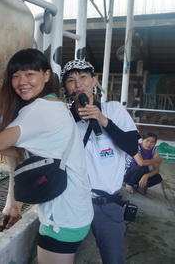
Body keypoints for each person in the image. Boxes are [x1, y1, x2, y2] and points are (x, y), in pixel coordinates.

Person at [0, 49, 93, 264]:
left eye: (30, 74)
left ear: (46, 76)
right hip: (75, 210)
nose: (22, 81)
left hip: (62, 218)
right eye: (15, 76)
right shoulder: (54, 104)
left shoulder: (39, 108)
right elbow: (20, 151)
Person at [61, 59, 141, 264]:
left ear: (94, 81)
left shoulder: (113, 109)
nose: (78, 84)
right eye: (71, 80)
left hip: (108, 204)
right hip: (73, 204)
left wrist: (104, 120)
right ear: (66, 88)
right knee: (62, 257)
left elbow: (132, 147)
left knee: (113, 259)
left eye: (83, 77)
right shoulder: (63, 119)